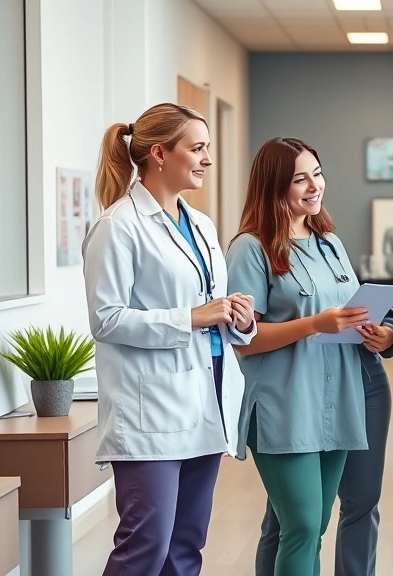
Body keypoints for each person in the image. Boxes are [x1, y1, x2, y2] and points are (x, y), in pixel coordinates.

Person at [83, 103, 256, 576]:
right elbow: (107, 319)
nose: (206, 159)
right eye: (197, 148)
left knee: (186, 546)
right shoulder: (118, 226)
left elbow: (209, 307)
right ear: (159, 153)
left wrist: (239, 319)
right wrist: (192, 318)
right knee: (146, 545)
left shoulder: (201, 225)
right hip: (151, 411)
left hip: (207, 398)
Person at [225, 137, 393, 576]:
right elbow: (244, 338)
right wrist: (314, 324)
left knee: (314, 523)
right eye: (299, 178)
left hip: (338, 396)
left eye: (317, 174)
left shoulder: (330, 242)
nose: (313, 186)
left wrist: (371, 331)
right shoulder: (250, 248)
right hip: (284, 403)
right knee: (302, 525)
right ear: (273, 185)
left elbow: (349, 311)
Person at [255, 313, 393, 576]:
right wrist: (314, 324)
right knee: (296, 517)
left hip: (362, 372)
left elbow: (386, 312)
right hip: (300, 379)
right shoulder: (264, 269)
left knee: (362, 500)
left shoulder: (343, 268)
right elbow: (248, 334)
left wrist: (387, 334)